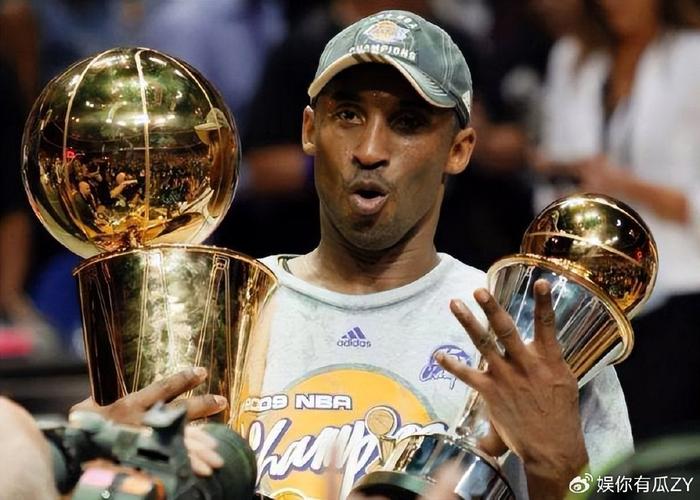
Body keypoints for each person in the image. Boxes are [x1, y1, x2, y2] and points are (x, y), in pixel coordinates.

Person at [85, 9, 632, 500]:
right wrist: (95, 464)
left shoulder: (529, 336)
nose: (370, 151)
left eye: (407, 122)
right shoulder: (209, 316)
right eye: (348, 115)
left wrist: (560, 467)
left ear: (460, 150)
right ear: (309, 130)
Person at [534, 0, 700, 442]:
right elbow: (552, 170)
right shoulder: (572, 56)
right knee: (596, 443)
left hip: (681, 286)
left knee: (661, 446)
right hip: (587, 291)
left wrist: (620, 184)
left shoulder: (692, 56)